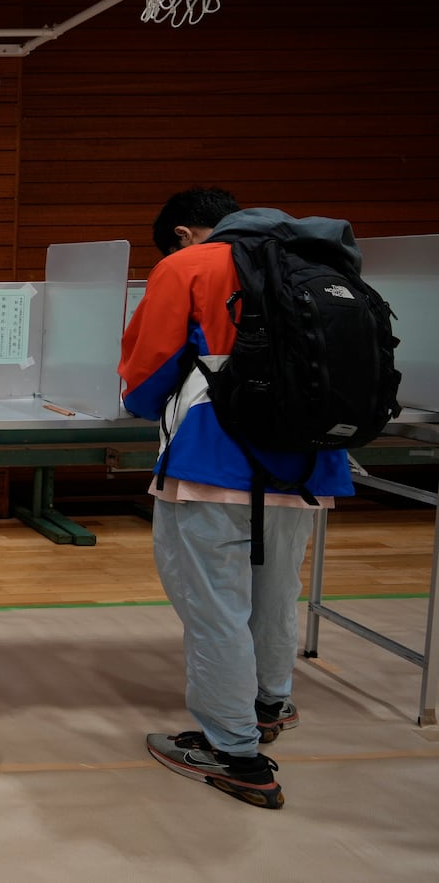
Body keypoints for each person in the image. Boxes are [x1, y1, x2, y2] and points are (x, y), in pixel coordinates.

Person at [120, 187, 356, 811]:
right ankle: (270, 703)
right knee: (277, 594)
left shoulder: (188, 267)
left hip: (214, 463)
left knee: (214, 609)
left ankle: (235, 754)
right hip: (308, 464)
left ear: (181, 234)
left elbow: (144, 380)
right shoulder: (322, 262)